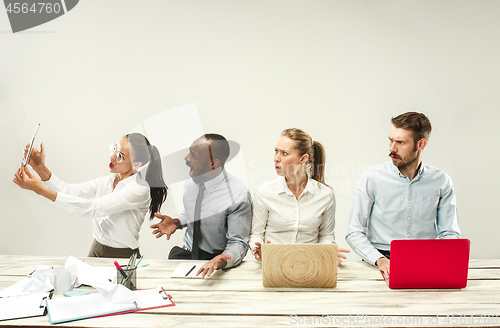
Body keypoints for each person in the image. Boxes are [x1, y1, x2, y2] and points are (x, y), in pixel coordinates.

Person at [13, 132, 168, 258]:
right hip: (96, 250)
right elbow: (69, 191)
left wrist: (40, 190)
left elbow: (92, 209)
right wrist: (40, 168)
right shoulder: (106, 181)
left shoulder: (138, 189)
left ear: (137, 165)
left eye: (120, 155)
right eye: (114, 149)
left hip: (122, 257)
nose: (112, 156)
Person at [346, 112, 461, 278]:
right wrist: (379, 260)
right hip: (379, 262)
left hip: (427, 260)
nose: (392, 148)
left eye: (400, 142)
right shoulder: (372, 177)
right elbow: (354, 232)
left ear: (421, 144)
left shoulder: (441, 180)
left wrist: (442, 261)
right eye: (391, 140)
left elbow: (450, 233)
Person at [150, 134, 251, 278]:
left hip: (215, 264)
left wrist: (223, 260)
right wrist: (177, 222)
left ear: (213, 164)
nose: (186, 158)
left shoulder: (237, 194)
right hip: (186, 255)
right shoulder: (192, 177)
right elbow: (197, 211)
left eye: (194, 155)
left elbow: (238, 242)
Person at [249, 128, 349, 265]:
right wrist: (257, 248)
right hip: (272, 265)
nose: (276, 158)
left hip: (310, 266)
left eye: (284, 153)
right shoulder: (264, 193)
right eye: (276, 151)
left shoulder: (325, 195)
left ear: (303, 159)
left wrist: (328, 250)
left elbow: (326, 235)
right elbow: (256, 234)